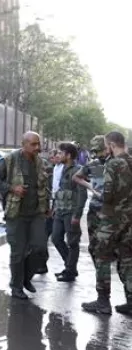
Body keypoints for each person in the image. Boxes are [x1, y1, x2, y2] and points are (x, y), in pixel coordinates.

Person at [0, 131, 49, 300]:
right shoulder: (9, 160)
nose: (37, 147)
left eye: (38, 144)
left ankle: (26, 278)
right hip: (16, 214)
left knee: (40, 248)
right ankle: (16, 286)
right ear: (24, 144)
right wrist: (12, 188)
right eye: (33, 144)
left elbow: (44, 186)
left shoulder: (40, 162)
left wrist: (47, 206)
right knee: (18, 252)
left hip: (36, 213)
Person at [81, 131, 132, 315]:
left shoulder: (113, 164)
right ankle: (131, 301)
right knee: (127, 259)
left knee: (101, 257)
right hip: (129, 220)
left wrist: (97, 193)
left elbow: (108, 194)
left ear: (111, 145)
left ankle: (103, 302)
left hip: (111, 220)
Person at [73, 136, 108, 295]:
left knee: (115, 251)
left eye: (101, 150)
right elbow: (76, 177)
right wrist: (90, 186)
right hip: (95, 210)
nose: (99, 154)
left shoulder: (117, 163)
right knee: (94, 248)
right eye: (96, 151)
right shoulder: (93, 164)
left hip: (114, 212)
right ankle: (102, 285)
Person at [50, 142, 87, 282]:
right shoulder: (61, 168)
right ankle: (70, 267)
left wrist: (77, 215)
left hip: (71, 213)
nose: (58, 155)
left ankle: (70, 271)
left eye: (61, 153)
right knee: (56, 238)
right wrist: (54, 207)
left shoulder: (78, 171)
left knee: (72, 242)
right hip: (60, 211)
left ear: (69, 155)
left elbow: (82, 194)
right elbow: (59, 191)